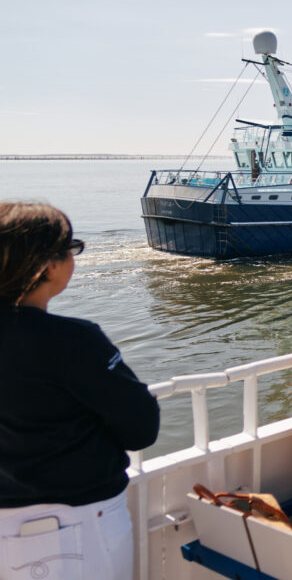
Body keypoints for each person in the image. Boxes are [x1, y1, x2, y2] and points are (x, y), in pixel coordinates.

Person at [0, 202, 160, 580]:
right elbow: (141, 429)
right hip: (75, 525)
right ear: (47, 266)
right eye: (71, 248)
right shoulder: (73, 341)